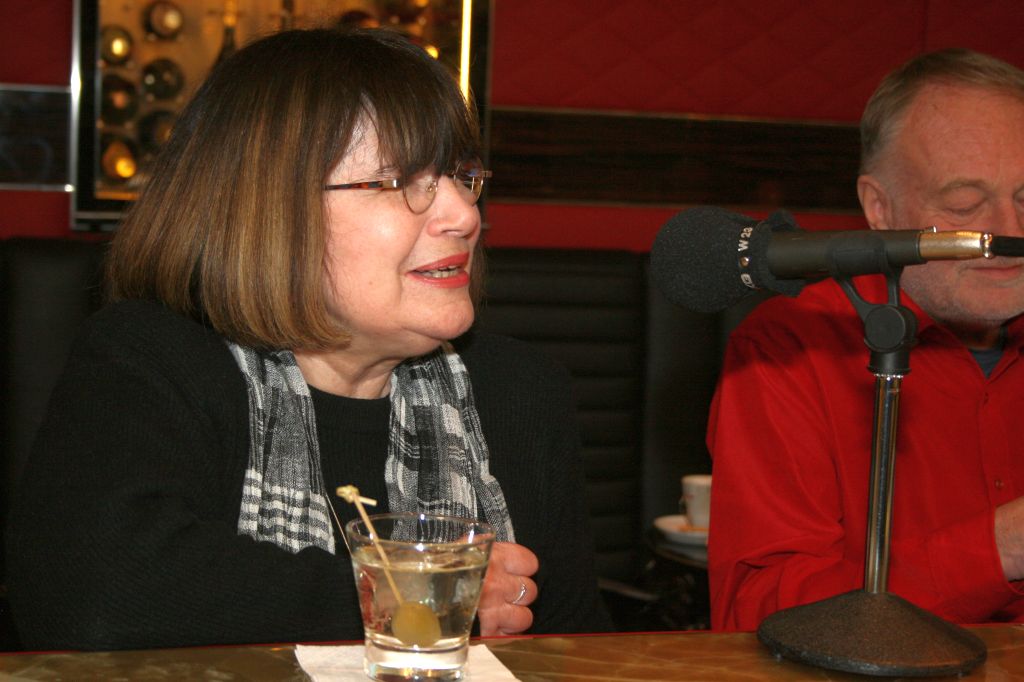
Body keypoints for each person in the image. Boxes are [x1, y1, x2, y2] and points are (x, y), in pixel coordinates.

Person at [6, 27, 611, 650]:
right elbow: (96, 599)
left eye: (461, 176)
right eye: (396, 181)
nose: (463, 215)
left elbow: (583, 653)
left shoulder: (517, 390)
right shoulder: (152, 359)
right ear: (267, 210)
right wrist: (416, 598)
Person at [707, 47, 1024, 630]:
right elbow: (759, 617)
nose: (1008, 231)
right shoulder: (790, 350)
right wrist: (1000, 548)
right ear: (880, 207)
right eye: (965, 204)